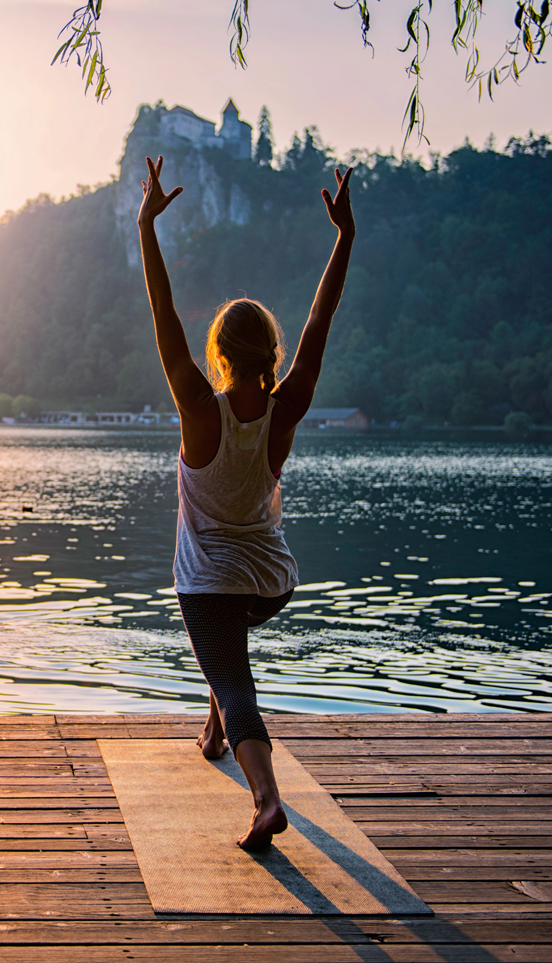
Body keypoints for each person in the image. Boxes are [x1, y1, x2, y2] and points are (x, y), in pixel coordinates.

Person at [136, 155, 354, 849]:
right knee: (224, 656)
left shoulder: (200, 408)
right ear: (270, 354)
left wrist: (147, 226)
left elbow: (163, 312)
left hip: (210, 581)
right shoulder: (285, 409)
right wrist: (344, 237)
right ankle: (212, 731)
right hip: (271, 580)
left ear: (219, 356)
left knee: (236, 682)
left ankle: (266, 799)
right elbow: (322, 319)